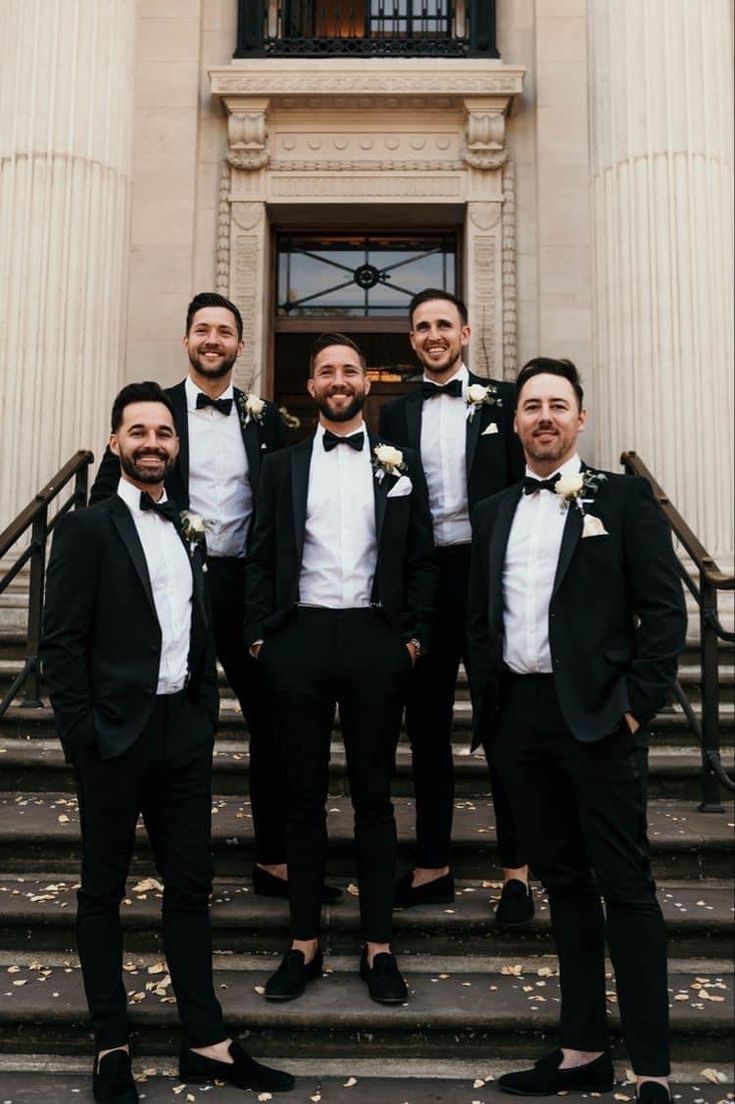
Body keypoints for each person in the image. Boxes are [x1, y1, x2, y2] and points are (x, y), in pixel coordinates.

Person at [41, 382, 294, 1103]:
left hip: (180, 735)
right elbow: (61, 644)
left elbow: (198, 629)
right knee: (102, 892)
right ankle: (111, 1041)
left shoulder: (189, 524)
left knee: (191, 890)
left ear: (175, 447)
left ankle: (206, 1041)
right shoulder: (86, 529)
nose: (154, 442)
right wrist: (82, 737)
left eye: (163, 433)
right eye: (139, 432)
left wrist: (203, 713)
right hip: (111, 739)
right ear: (116, 441)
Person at [467, 357, 686, 1101]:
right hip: (520, 722)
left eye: (557, 405)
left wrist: (632, 706)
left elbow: (664, 613)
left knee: (624, 888)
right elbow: (480, 614)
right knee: (561, 886)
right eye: (531, 406)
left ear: (579, 419)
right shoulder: (494, 509)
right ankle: (581, 1050)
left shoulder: (622, 500)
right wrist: (490, 708)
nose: (544, 417)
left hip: (598, 718)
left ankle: (651, 1066)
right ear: (517, 422)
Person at [89, 293, 336, 903]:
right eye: (203, 330)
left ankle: (276, 860)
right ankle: (172, 855)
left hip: (248, 588)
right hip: (173, 586)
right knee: (171, 717)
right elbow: (102, 501)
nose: (213, 340)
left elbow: (293, 507)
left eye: (225, 332)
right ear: (186, 341)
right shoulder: (155, 412)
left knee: (273, 722)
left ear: (240, 346)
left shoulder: (268, 420)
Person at [245, 333, 436, 1004]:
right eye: (325, 370)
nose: (337, 379)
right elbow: (260, 554)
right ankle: (303, 942)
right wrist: (261, 637)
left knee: (375, 797)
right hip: (296, 636)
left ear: (365, 383)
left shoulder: (398, 465)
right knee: (301, 797)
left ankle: (379, 946)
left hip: (373, 638)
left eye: (348, 369)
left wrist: (411, 637)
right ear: (312, 384)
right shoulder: (281, 466)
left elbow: (420, 557)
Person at [379, 288, 530, 924]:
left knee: (503, 721)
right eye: (422, 328)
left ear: (465, 333)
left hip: (489, 575)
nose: (433, 335)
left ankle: (517, 871)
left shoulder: (503, 400)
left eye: (444, 325)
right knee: (428, 727)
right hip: (424, 581)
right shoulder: (392, 416)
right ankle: (433, 862)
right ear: (412, 340)